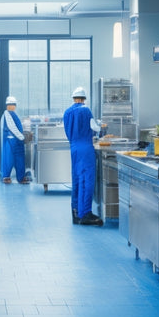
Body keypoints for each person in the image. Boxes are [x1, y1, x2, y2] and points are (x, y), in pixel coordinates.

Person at [63, 87, 103, 226]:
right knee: (87, 180)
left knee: (77, 180)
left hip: (74, 148)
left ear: (74, 98)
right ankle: (85, 214)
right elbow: (95, 128)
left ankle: (76, 212)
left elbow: (68, 131)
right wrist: (101, 125)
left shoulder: (67, 112)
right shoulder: (86, 110)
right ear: (84, 98)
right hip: (85, 148)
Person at [0, 96, 29, 184]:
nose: (12, 106)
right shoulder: (7, 114)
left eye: (13, 104)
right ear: (7, 105)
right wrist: (22, 137)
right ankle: (6, 177)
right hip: (11, 141)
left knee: (19, 160)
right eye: (11, 104)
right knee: (8, 159)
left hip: (17, 141)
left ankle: (21, 177)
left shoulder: (13, 114)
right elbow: (12, 127)